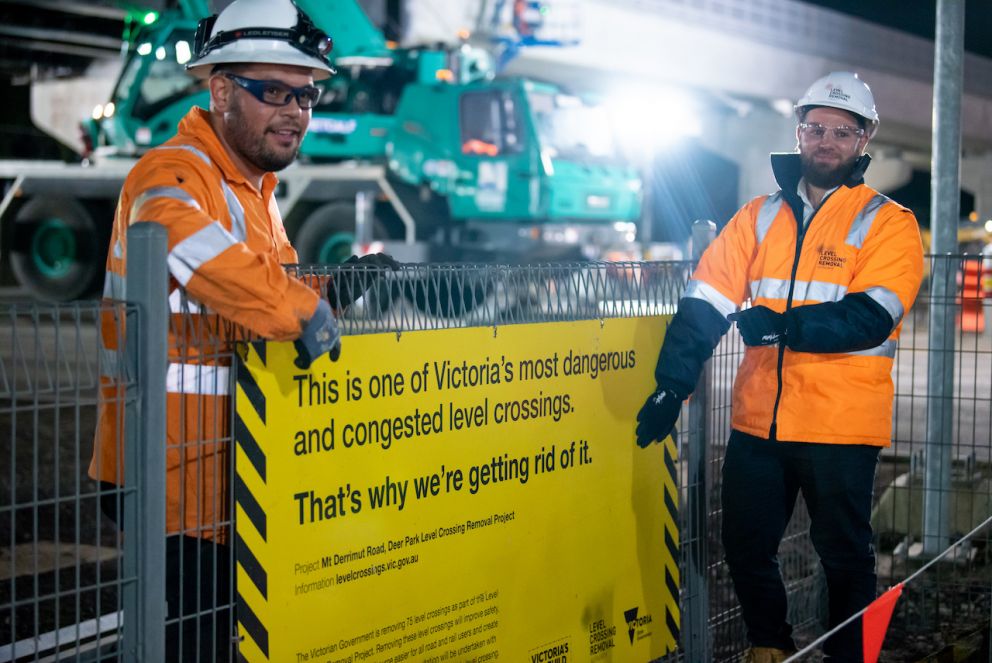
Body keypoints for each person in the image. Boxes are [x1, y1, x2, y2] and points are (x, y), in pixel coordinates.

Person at [88, 0, 394, 659]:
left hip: (226, 466)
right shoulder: (171, 173)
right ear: (221, 90)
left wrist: (332, 289)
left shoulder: (254, 189)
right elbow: (183, 242)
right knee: (188, 646)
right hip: (161, 472)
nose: (296, 111)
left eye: (306, 95)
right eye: (273, 92)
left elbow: (255, 293)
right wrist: (303, 311)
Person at [635, 72, 923, 663]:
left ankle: (850, 658)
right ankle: (769, 647)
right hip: (758, 425)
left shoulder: (888, 222)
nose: (826, 140)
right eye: (815, 127)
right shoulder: (758, 217)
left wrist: (785, 326)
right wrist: (672, 384)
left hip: (841, 428)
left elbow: (872, 316)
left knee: (844, 557)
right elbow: (706, 301)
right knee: (743, 546)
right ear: (798, 132)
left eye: (842, 131)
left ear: (864, 140)